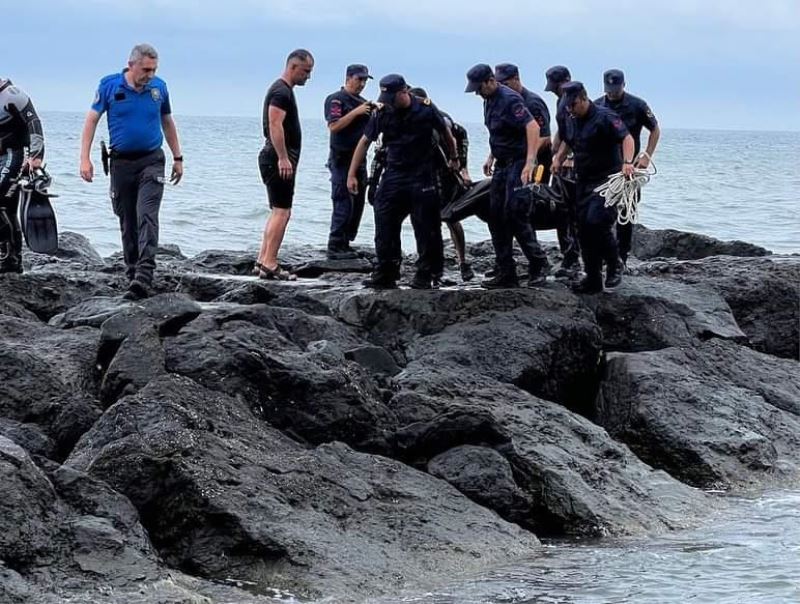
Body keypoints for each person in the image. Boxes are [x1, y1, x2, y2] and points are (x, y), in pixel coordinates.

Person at [80, 43, 183, 300]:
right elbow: (91, 120)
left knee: (146, 214)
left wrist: (178, 157)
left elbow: (167, 121)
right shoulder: (110, 86)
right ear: (131, 64)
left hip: (152, 160)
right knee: (127, 220)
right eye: (146, 69)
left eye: (154, 69)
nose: (150, 75)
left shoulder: (159, 88)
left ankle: (144, 275)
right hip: (121, 164)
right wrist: (85, 158)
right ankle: (132, 272)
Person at [347, 74, 457, 289]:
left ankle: (427, 272)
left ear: (403, 92)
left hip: (422, 174)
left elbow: (446, 133)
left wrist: (454, 159)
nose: (388, 102)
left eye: (391, 98)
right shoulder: (383, 111)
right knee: (384, 219)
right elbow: (364, 142)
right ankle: (386, 271)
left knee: (427, 226)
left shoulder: (425, 109)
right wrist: (352, 174)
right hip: (394, 174)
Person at [465, 63, 547, 289]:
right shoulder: (488, 100)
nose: (477, 93)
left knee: (516, 213)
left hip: (519, 163)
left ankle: (538, 263)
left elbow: (532, 128)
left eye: (479, 88)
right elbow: (500, 131)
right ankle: (506, 270)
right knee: (495, 216)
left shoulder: (510, 99)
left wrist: (530, 161)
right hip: (502, 163)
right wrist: (491, 156)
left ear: (491, 81)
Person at [552, 82, 634, 294]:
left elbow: (627, 138)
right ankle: (593, 277)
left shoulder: (605, 117)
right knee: (583, 229)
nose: (571, 109)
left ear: (584, 98)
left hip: (607, 180)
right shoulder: (571, 119)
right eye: (567, 106)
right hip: (583, 180)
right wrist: (558, 159)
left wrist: (627, 162)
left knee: (597, 222)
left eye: (574, 104)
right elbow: (568, 142)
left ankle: (615, 264)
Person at [256, 48, 314, 279]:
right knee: (282, 212)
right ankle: (270, 262)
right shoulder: (281, 91)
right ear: (293, 67)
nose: (308, 76)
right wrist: (283, 157)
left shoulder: (283, 90)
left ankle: (263, 259)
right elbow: (275, 124)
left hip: (276, 157)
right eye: (306, 71)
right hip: (276, 157)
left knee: (278, 211)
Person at [408, 86, 474, 283]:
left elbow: (460, 135)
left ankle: (462, 261)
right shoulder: (409, 117)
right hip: (424, 174)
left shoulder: (439, 117)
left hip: (446, 174)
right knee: (423, 220)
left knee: (451, 217)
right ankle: (430, 264)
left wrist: (462, 167)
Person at [595, 69, 660, 267]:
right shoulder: (597, 105)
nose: (612, 93)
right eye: (608, 89)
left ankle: (622, 257)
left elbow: (655, 130)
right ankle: (602, 254)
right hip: (603, 166)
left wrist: (646, 156)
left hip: (629, 168)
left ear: (623, 85)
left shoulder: (637, 105)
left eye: (615, 89)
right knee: (599, 212)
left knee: (626, 213)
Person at [323, 63, 373, 259]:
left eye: (364, 80)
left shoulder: (363, 102)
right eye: (358, 79)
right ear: (348, 78)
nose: (361, 84)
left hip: (359, 160)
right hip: (341, 159)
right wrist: (356, 112)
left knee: (357, 203)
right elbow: (334, 126)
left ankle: (345, 242)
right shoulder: (336, 99)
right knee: (343, 201)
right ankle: (335, 245)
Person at [0, 78, 45, 273]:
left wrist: (36, 156)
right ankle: (12, 259)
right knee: (8, 208)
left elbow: (34, 122)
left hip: (16, 155)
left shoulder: (12, 94)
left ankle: (9, 256)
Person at [544, 64, 582, 277]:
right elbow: (563, 130)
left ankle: (574, 259)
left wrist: (567, 158)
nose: (557, 91)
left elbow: (578, 135)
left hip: (573, 167)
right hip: (560, 164)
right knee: (559, 210)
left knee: (571, 214)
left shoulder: (577, 103)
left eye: (558, 86)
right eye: (555, 88)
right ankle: (568, 255)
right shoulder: (561, 102)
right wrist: (553, 151)